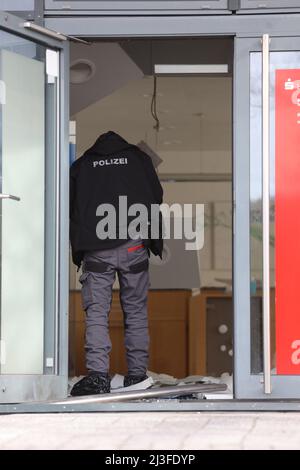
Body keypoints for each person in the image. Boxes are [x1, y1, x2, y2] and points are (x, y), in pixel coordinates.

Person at [69, 131, 163, 396]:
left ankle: (98, 376)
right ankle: (136, 376)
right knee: (135, 311)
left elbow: (70, 207)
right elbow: (156, 195)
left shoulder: (82, 165)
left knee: (97, 312)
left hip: (97, 247)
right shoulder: (139, 159)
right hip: (133, 242)